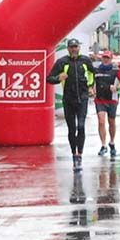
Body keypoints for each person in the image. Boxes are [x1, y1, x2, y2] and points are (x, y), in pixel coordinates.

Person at [46, 38, 95, 172]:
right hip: (68, 100)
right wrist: (58, 78)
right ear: (68, 49)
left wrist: (91, 86)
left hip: (83, 99)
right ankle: (74, 154)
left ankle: (80, 154)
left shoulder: (85, 60)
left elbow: (92, 73)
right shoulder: (62, 62)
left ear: (79, 48)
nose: (74, 49)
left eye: (76, 47)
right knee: (72, 129)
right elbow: (48, 79)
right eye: (71, 47)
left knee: (81, 126)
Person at [93, 50, 120, 159]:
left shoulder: (116, 70)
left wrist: (117, 88)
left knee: (111, 122)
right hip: (100, 99)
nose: (105, 59)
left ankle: (112, 142)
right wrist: (91, 88)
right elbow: (91, 81)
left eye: (107, 58)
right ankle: (103, 145)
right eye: (104, 57)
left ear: (111, 59)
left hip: (112, 99)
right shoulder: (96, 70)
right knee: (101, 121)